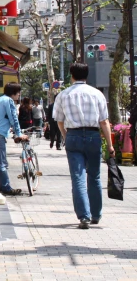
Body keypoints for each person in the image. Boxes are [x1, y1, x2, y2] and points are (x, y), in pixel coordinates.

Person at [54, 62, 115, 229]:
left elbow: (59, 121)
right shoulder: (97, 94)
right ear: (86, 75)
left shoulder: (63, 95)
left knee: (78, 177)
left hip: (73, 135)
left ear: (71, 75)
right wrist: (110, 145)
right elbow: (104, 121)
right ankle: (96, 214)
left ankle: (84, 216)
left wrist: (66, 137)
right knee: (94, 176)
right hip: (94, 135)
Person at [0, 82, 29, 195]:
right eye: (18, 92)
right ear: (13, 92)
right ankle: (6, 188)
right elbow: (13, 118)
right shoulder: (8, 101)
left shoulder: (0, 99)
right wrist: (18, 133)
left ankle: (3, 186)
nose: (19, 95)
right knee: (2, 163)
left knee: (0, 162)